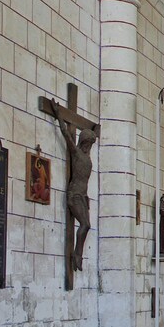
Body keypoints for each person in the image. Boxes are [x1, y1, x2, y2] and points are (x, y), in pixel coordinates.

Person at [57, 113, 96, 271]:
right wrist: (58, 114)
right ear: (83, 142)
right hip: (74, 194)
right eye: (87, 143)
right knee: (85, 225)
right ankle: (77, 255)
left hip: (83, 196)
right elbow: (66, 134)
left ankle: (77, 254)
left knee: (87, 225)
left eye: (91, 144)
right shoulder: (77, 153)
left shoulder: (88, 158)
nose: (89, 147)